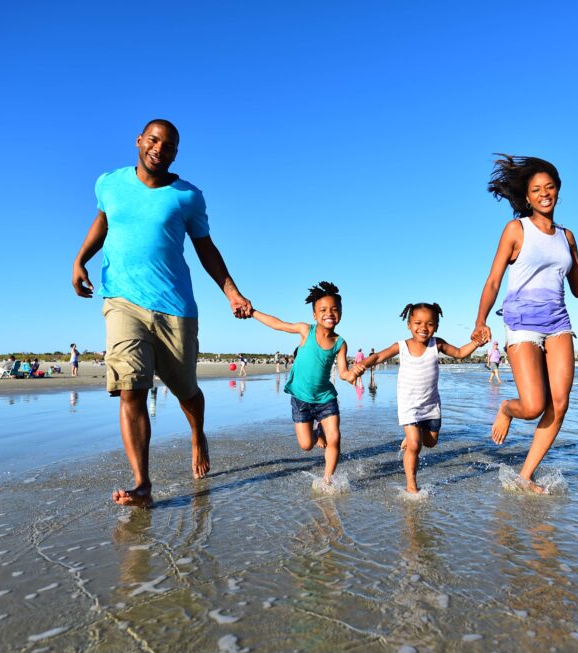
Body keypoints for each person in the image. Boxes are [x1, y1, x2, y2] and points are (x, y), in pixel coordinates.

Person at [72, 118, 252, 508]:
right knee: (131, 390)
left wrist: (232, 293)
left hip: (175, 309)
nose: (159, 148)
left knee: (187, 392)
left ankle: (197, 434)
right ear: (139, 141)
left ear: (175, 153)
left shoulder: (187, 196)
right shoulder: (109, 183)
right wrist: (81, 259)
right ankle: (142, 484)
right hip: (122, 301)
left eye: (168, 145)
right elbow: (103, 221)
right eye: (153, 140)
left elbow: (206, 249)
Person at [472, 155, 578, 493]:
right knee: (534, 404)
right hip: (522, 321)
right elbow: (493, 281)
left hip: (558, 321)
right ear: (526, 197)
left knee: (560, 403)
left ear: (558, 191)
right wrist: (480, 320)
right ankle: (508, 408)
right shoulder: (515, 230)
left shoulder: (567, 237)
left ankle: (525, 474)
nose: (544, 193)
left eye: (549, 187)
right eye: (536, 189)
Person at [354, 303, 482, 493]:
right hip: (409, 405)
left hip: (430, 405)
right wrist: (361, 365)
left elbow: (460, 354)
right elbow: (379, 356)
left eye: (429, 324)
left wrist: (477, 343)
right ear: (409, 324)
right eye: (418, 323)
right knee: (415, 445)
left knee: (430, 443)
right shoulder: (402, 346)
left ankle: (412, 437)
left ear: (436, 326)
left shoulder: (436, 344)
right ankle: (411, 486)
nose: (423, 328)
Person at [251, 281, 358, 487]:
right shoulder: (305, 330)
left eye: (335, 309)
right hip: (301, 399)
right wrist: (253, 312)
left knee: (335, 438)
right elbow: (278, 324)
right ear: (315, 315)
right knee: (306, 445)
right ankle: (318, 432)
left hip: (326, 398)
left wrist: (351, 375)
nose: (329, 313)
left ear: (341, 313)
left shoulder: (340, 343)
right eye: (323, 310)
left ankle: (327, 480)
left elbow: (343, 372)